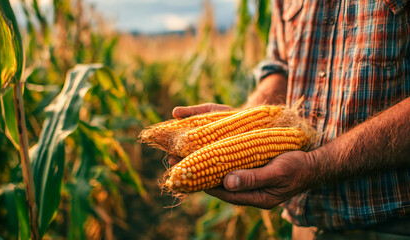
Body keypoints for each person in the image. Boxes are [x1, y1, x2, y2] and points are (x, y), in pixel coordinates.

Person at [169, 0, 410, 239]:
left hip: (392, 224)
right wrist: (246, 119)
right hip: (305, 223)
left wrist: (317, 165)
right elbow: (281, 66)